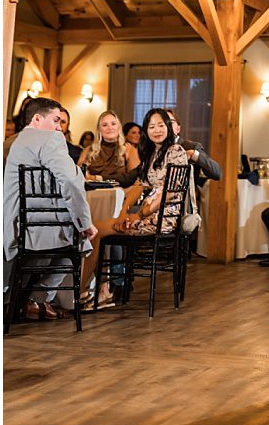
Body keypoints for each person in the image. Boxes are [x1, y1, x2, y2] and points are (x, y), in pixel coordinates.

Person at [80, 107, 190, 307]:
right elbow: (139, 185)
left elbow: (171, 191)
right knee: (95, 229)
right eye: (151, 126)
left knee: (97, 230)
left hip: (164, 218)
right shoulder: (152, 153)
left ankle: (85, 291)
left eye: (161, 125)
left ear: (169, 127)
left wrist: (140, 215)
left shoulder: (176, 151)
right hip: (145, 214)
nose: (157, 130)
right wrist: (124, 212)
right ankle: (85, 291)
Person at [2, 96, 92, 321]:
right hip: (37, 227)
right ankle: (37, 299)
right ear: (37, 118)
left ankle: (21, 299)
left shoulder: (16, 141)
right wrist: (85, 223)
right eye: (55, 120)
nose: (59, 127)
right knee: (83, 240)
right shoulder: (50, 138)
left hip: (13, 222)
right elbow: (70, 182)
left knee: (73, 234)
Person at [78, 109, 140, 186]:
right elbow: (80, 176)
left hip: (120, 194)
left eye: (113, 124)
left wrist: (96, 178)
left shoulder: (129, 150)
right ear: (99, 130)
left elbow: (135, 181)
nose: (110, 128)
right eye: (104, 125)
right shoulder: (89, 150)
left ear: (119, 127)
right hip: (92, 194)